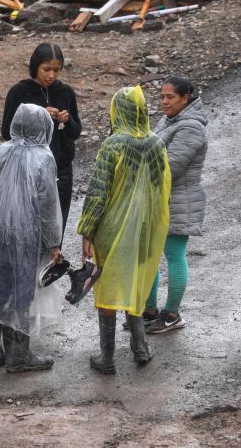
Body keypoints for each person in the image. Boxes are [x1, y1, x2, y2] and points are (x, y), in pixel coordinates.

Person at [77, 86, 171, 375]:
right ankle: (140, 348)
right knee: (134, 283)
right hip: (144, 228)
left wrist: (86, 231)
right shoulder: (156, 143)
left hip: (112, 229)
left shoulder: (113, 145)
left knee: (107, 289)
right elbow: (161, 186)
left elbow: (98, 193)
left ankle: (107, 358)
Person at [0, 104, 64, 373]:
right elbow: (48, 204)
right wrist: (53, 242)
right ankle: (18, 356)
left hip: (1, 230)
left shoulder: (0, 152)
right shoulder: (43, 158)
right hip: (27, 233)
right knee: (22, 290)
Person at [143, 76, 208, 334]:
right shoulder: (170, 120)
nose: (164, 101)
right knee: (149, 256)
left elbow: (170, 165)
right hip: (159, 200)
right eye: (161, 96)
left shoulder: (191, 127)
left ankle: (171, 314)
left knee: (173, 255)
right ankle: (149, 310)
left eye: (170, 97)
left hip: (179, 201)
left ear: (185, 98)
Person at [1, 43, 82, 239]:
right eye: (47, 69)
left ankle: (53, 268)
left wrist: (67, 119)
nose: (52, 76)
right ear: (35, 65)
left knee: (56, 224)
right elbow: (7, 132)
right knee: (30, 225)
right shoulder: (20, 93)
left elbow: (76, 132)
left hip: (60, 170)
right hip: (29, 171)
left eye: (56, 70)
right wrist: (38, 116)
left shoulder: (65, 92)